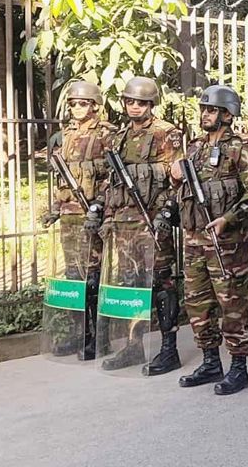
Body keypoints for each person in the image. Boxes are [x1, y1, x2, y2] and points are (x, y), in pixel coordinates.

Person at [173, 85, 248, 395]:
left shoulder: (241, 148)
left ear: (227, 114)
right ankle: (210, 361)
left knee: (232, 304)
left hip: (226, 243)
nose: (205, 114)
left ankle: (238, 367)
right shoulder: (196, 147)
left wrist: (228, 218)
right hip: (194, 239)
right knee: (197, 304)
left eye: (211, 110)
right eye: (203, 109)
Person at [98, 77, 184, 374]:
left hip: (152, 221)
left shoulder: (166, 133)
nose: (134, 107)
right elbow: (111, 182)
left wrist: (166, 214)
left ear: (151, 104)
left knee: (161, 283)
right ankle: (133, 346)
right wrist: (106, 215)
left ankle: (168, 349)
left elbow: (177, 180)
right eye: (130, 102)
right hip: (125, 223)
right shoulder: (118, 137)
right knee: (130, 284)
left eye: (141, 103)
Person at [41, 81, 117, 358]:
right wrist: (54, 207)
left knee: (94, 277)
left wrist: (99, 206)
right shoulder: (67, 135)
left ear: (95, 105)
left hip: (92, 214)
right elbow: (64, 179)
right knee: (74, 277)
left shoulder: (107, 135)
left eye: (82, 103)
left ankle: (100, 338)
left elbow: (115, 177)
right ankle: (79, 334)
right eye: (73, 104)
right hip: (69, 215)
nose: (76, 108)